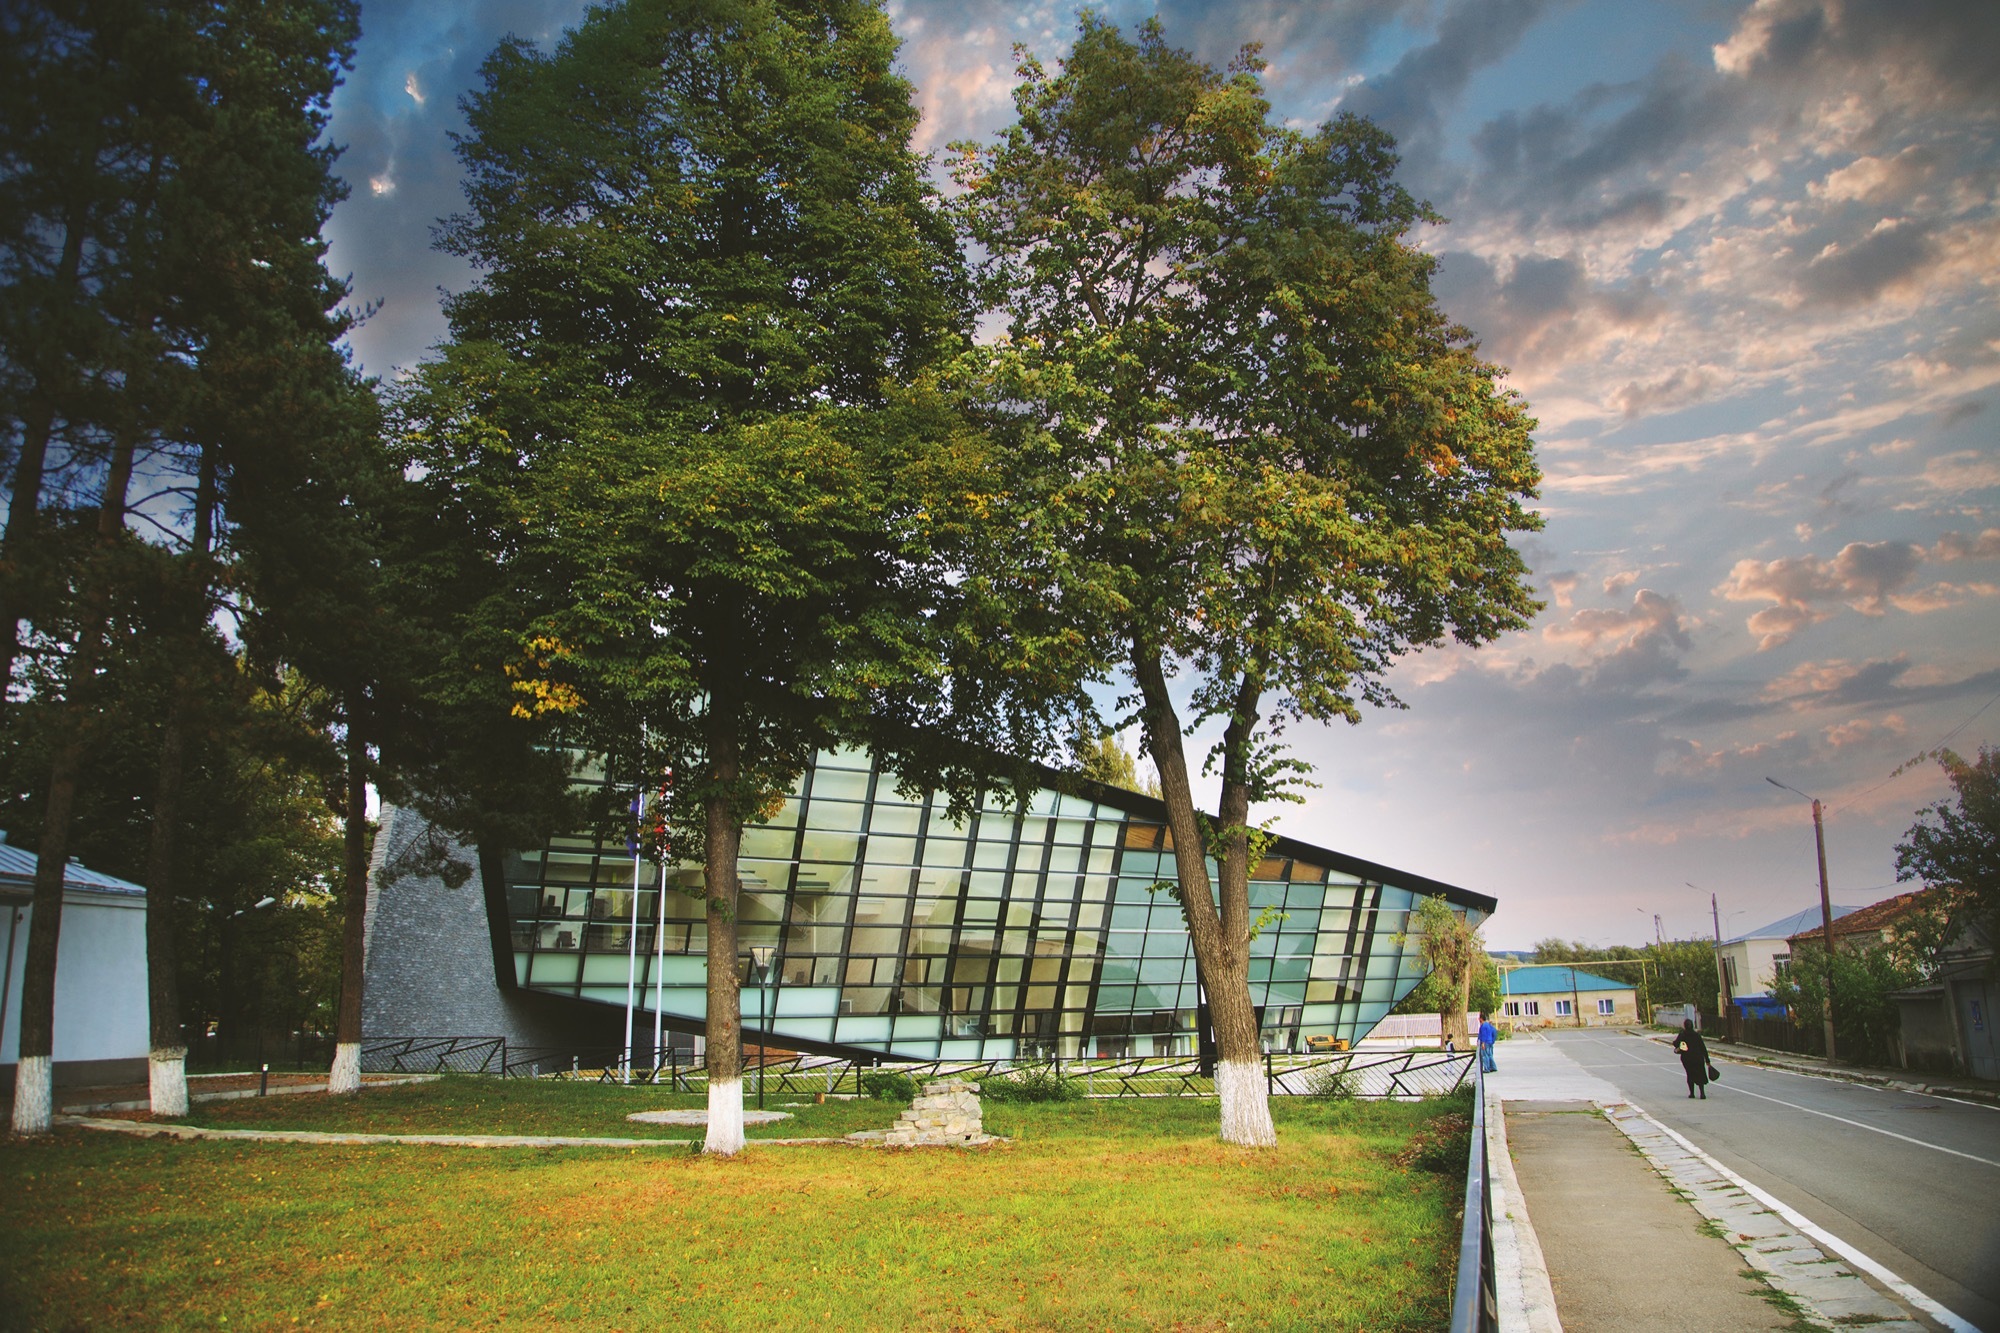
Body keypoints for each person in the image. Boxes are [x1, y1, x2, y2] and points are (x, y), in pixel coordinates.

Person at [1672, 1018, 1711, 1099]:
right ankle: (1702, 1093)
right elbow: (1703, 1048)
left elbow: (1676, 1043)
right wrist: (1707, 1060)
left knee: (1690, 1074)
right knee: (1700, 1074)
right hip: (1698, 1058)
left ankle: (1692, 1093)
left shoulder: (1682, 1034)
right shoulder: (1697, 1035)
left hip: (1687, 1058)